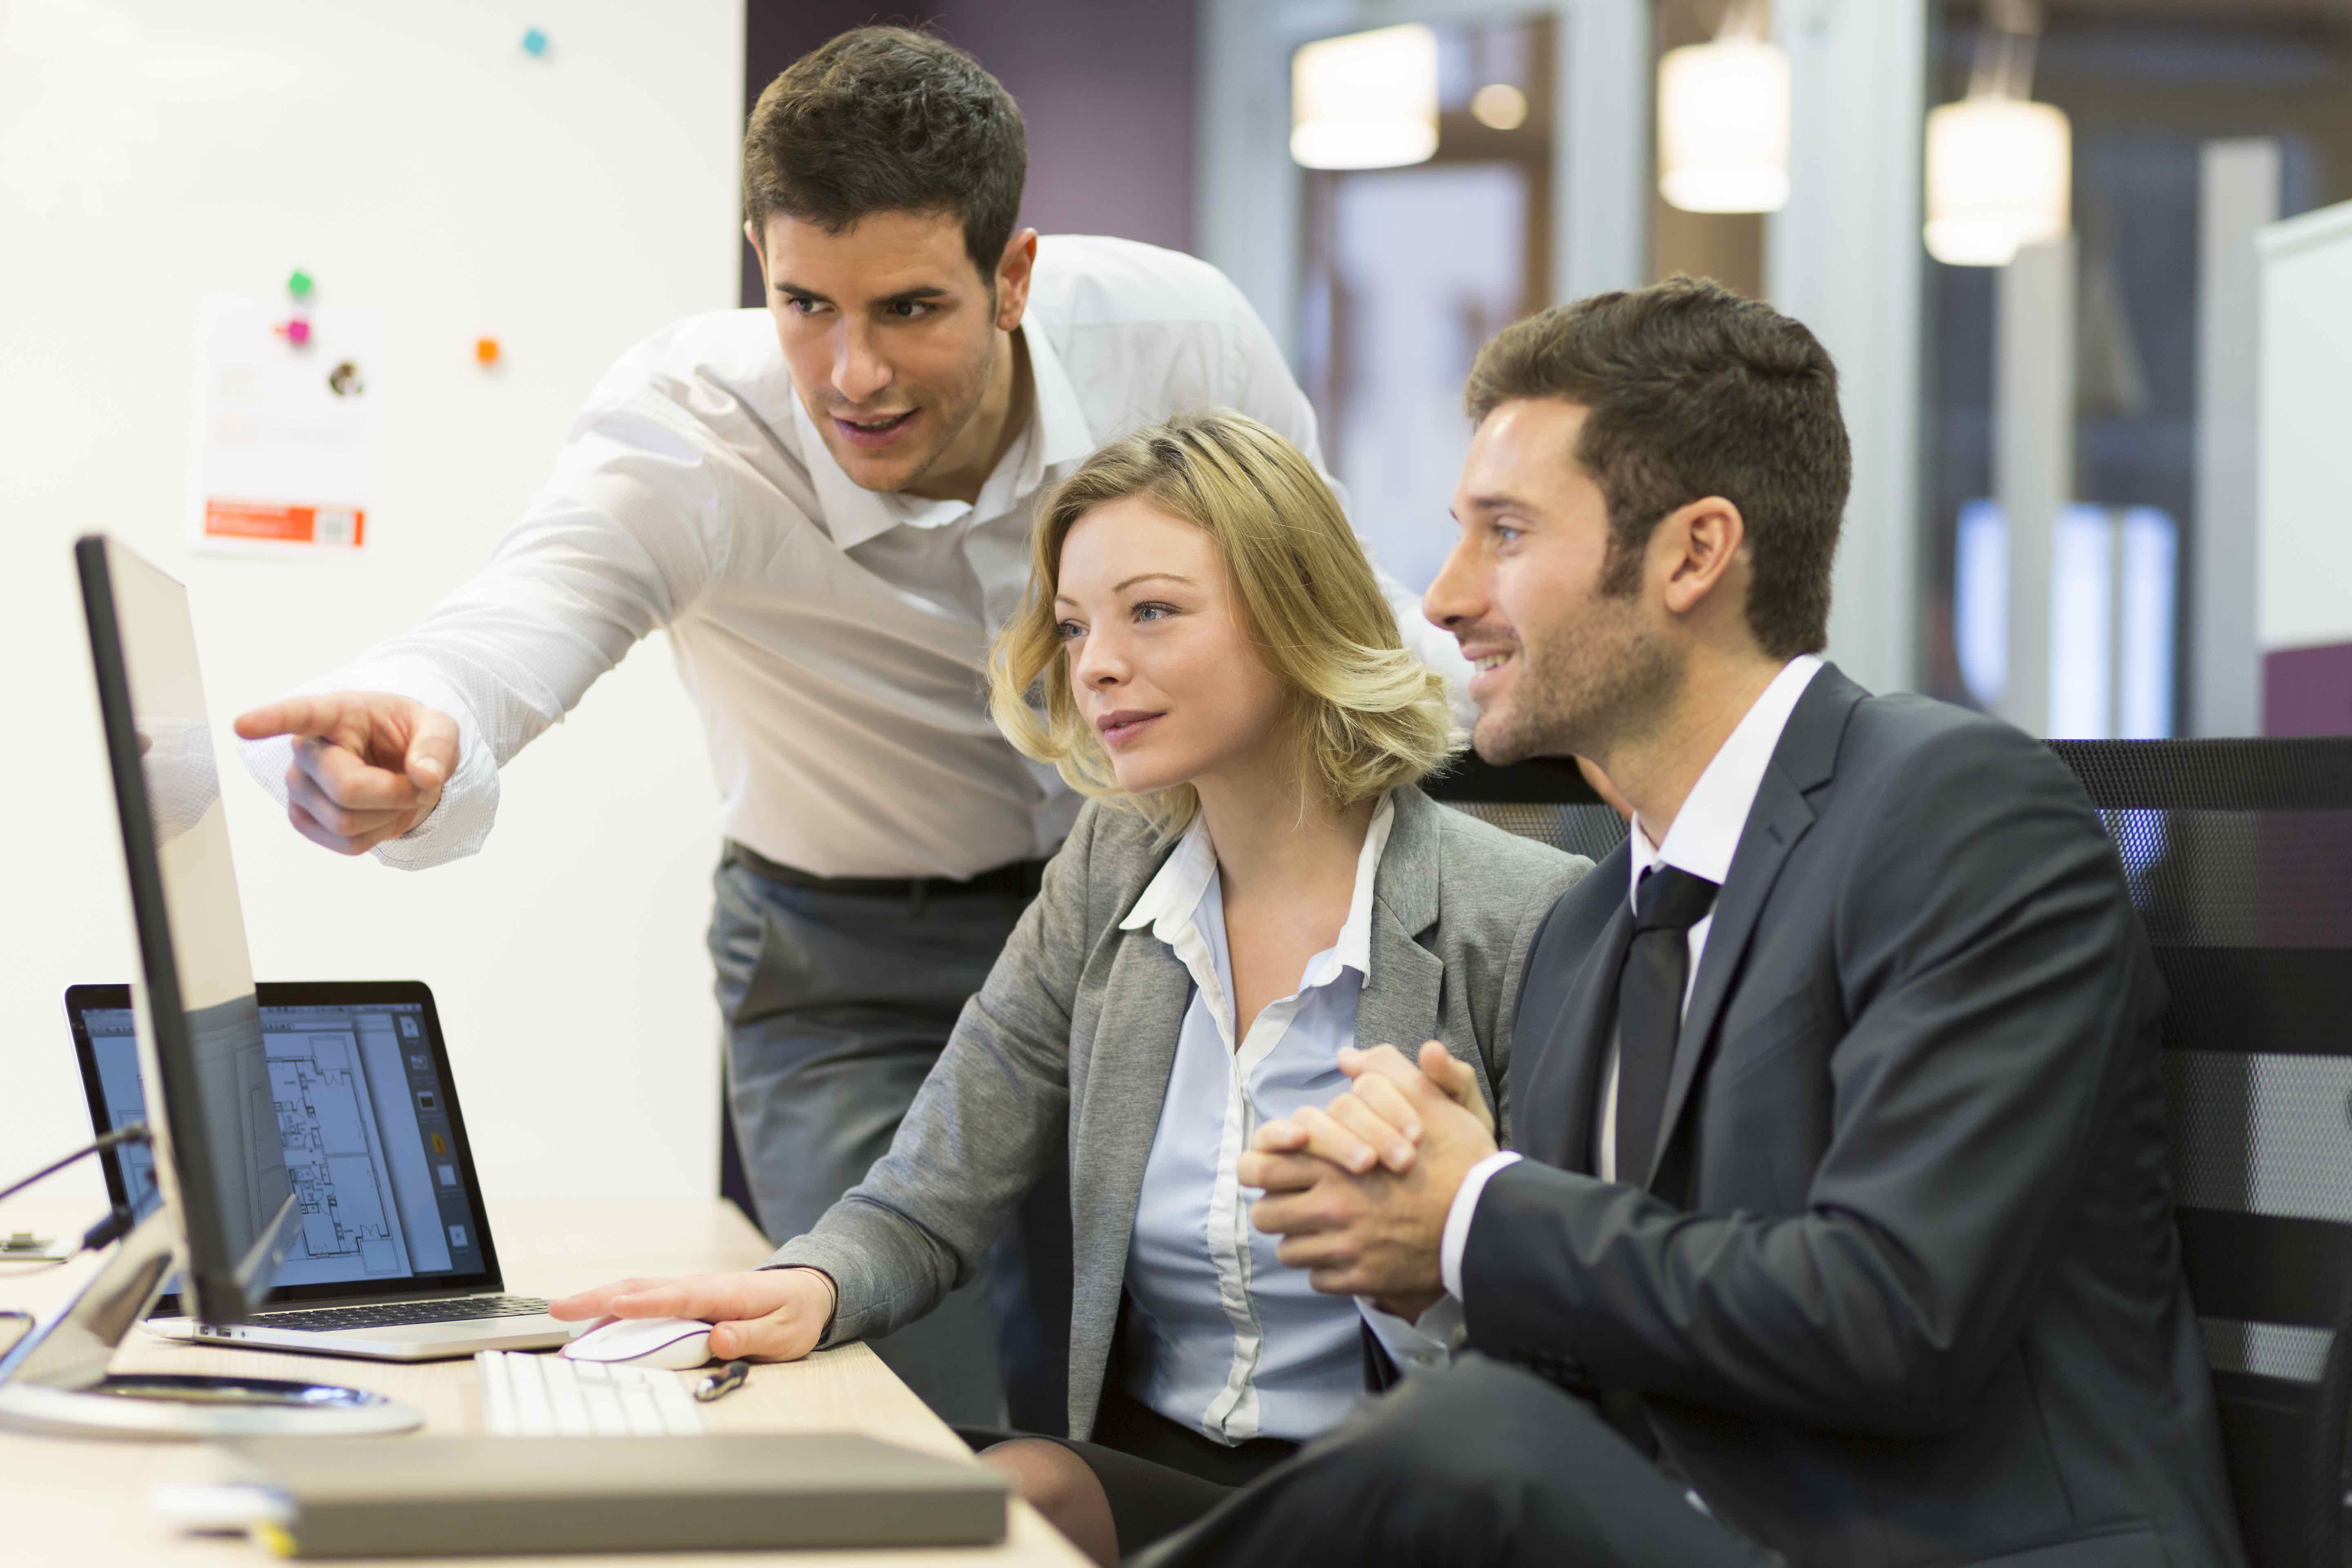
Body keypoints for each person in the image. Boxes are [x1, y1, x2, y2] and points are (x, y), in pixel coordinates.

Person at [227, 28, 1460, 1430]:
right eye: (804, 302)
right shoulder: (692, 430)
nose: (852, 372)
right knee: (899, 1396)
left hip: (1150, 928)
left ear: (1013, 277)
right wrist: (423, 723)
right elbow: (516, 623)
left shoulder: (1173, 341)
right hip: (842, 954)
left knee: (1115, 1383)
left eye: (911, 309)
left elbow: (1343, 614)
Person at [1133, 279, 2247, 1567]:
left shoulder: (1956, 811)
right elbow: (1609, 1355)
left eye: (1503, 533)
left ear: (1694, 553)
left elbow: (1897, 1317)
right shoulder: (1591, 927)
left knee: (1471, 1444)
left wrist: (1478, 1212)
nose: (1440, 599)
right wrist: (1424, 1268)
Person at [548, 412, 1588, 1565]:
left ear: (1297, 609)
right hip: (1161, 1469)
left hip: (1407, 1499)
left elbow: (1578, 1348)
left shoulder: (1528, 915)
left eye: (1151, 611)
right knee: (985, 1499)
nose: (1094, 665)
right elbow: (932, 1187)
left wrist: (1428, 1264)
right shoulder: (1111, 868)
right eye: (1077, 623)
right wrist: (808, 1282)